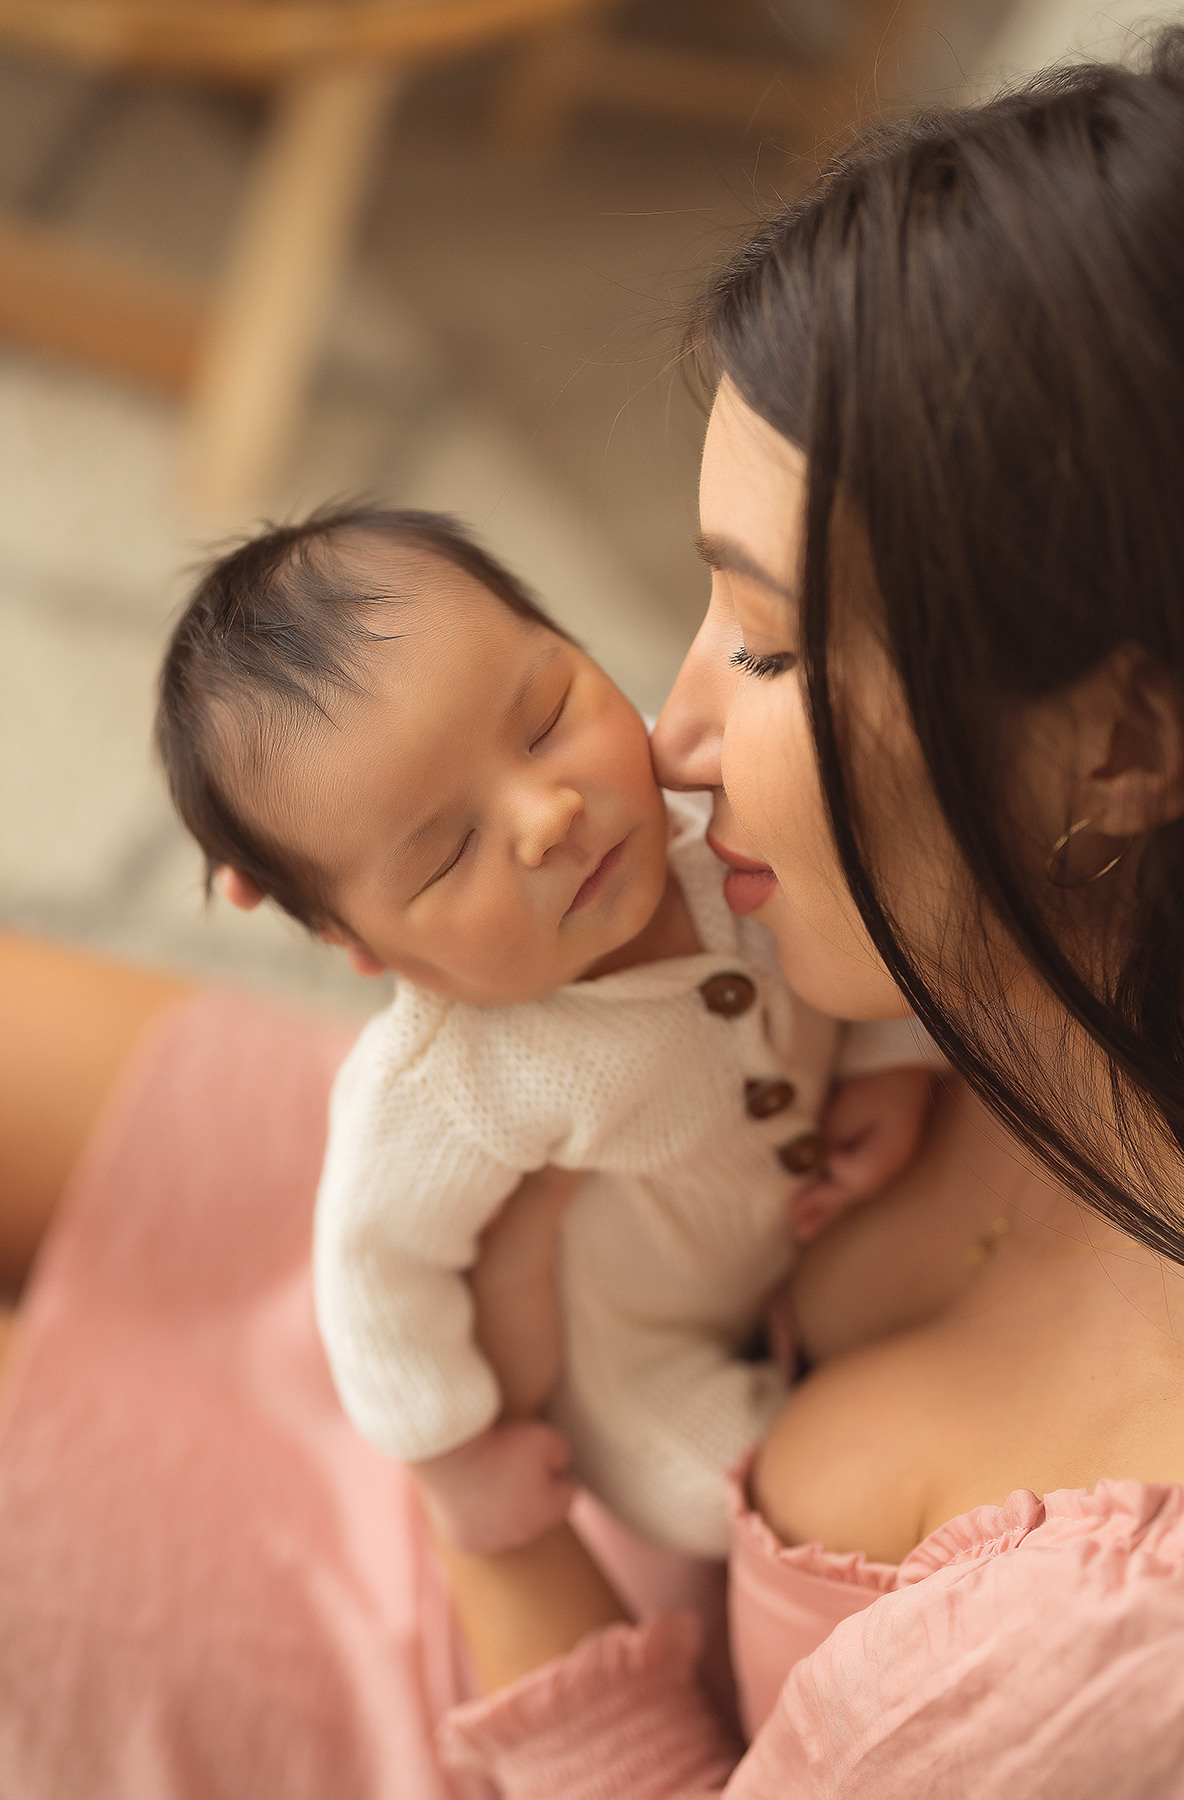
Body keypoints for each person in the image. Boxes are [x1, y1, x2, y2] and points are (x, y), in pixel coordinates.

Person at [0, 28, 1184, 1800]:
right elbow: (405, 1215)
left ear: (1121, 743)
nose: (679, 737)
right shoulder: (1047, 940)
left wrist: (473, 1502)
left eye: (773, 643)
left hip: (474, 1623)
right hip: (517, 1239)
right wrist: (388, 873)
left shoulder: (1100, 1661)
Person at [154, 506, 934, 1559]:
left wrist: (891, 1060)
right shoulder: (450, 1078)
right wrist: (454, 1456)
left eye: (548, 716)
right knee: (757, 1501)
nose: (547, 814)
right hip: (637, 1358)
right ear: (365, 944)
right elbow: (377, 1265)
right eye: (446, 855)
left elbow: (868, 925)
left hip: (802, 1232)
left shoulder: (717, 810)